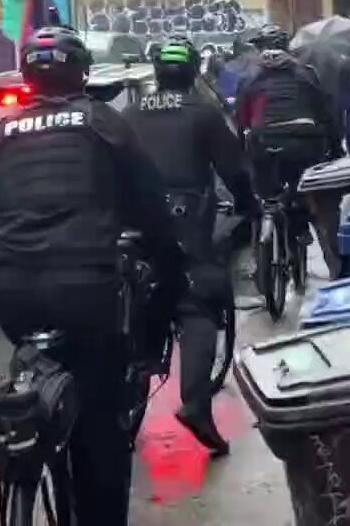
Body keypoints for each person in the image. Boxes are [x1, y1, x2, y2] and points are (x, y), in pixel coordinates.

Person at [0, 27, 187, 526]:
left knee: (30, 365)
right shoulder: (104, 123)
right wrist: (172, 271)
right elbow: (151, 208)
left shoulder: (3, 133)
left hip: (16, 293)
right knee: (100, 424)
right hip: (87, 293)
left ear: (27, 76)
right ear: (83, 72)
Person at [124, 35, 256, 456]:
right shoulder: (204, 113)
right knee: (198, 300)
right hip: (183, 222)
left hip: (129, 223)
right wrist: (248, 206)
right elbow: (233, 170)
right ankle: (195, 403)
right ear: (194, 71)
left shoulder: (128, 113)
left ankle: (132, 374)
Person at [235, 25, 343, 246]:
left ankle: (272, 229)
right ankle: (303, 222)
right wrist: (336, 148)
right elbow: (326, 113)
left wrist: (242, 150)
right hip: (305, 142)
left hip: (264, 141)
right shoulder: (306, 72)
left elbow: (241, 120)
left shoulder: (249, 78)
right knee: (304, 188)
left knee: (267, 193)